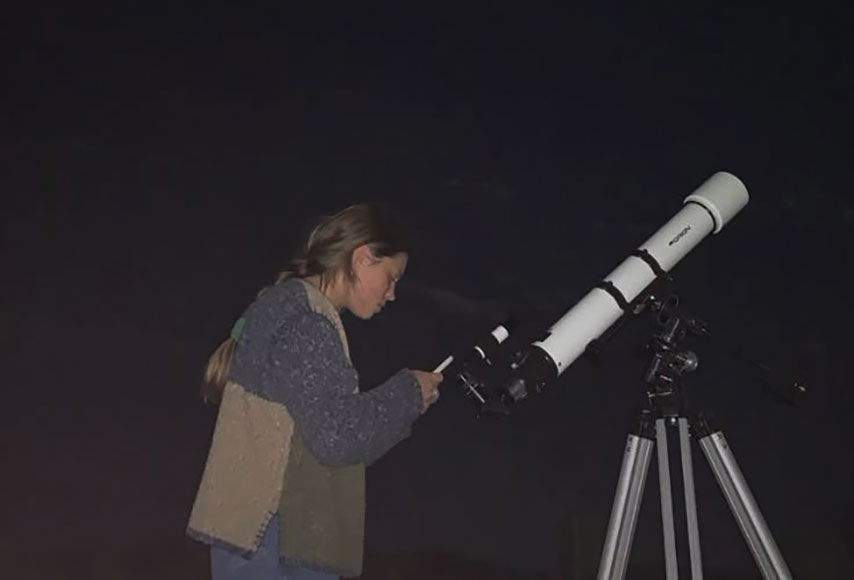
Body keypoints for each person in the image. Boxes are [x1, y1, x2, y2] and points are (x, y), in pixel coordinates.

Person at [187, 203, 444, 580]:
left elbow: (321, 442)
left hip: (258, 535)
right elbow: (337, 438)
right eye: (392, 277)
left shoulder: (289, 312)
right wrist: (410, 393)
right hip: (276, 538)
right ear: (362, 258)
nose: (392, 294)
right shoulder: (307, 322)